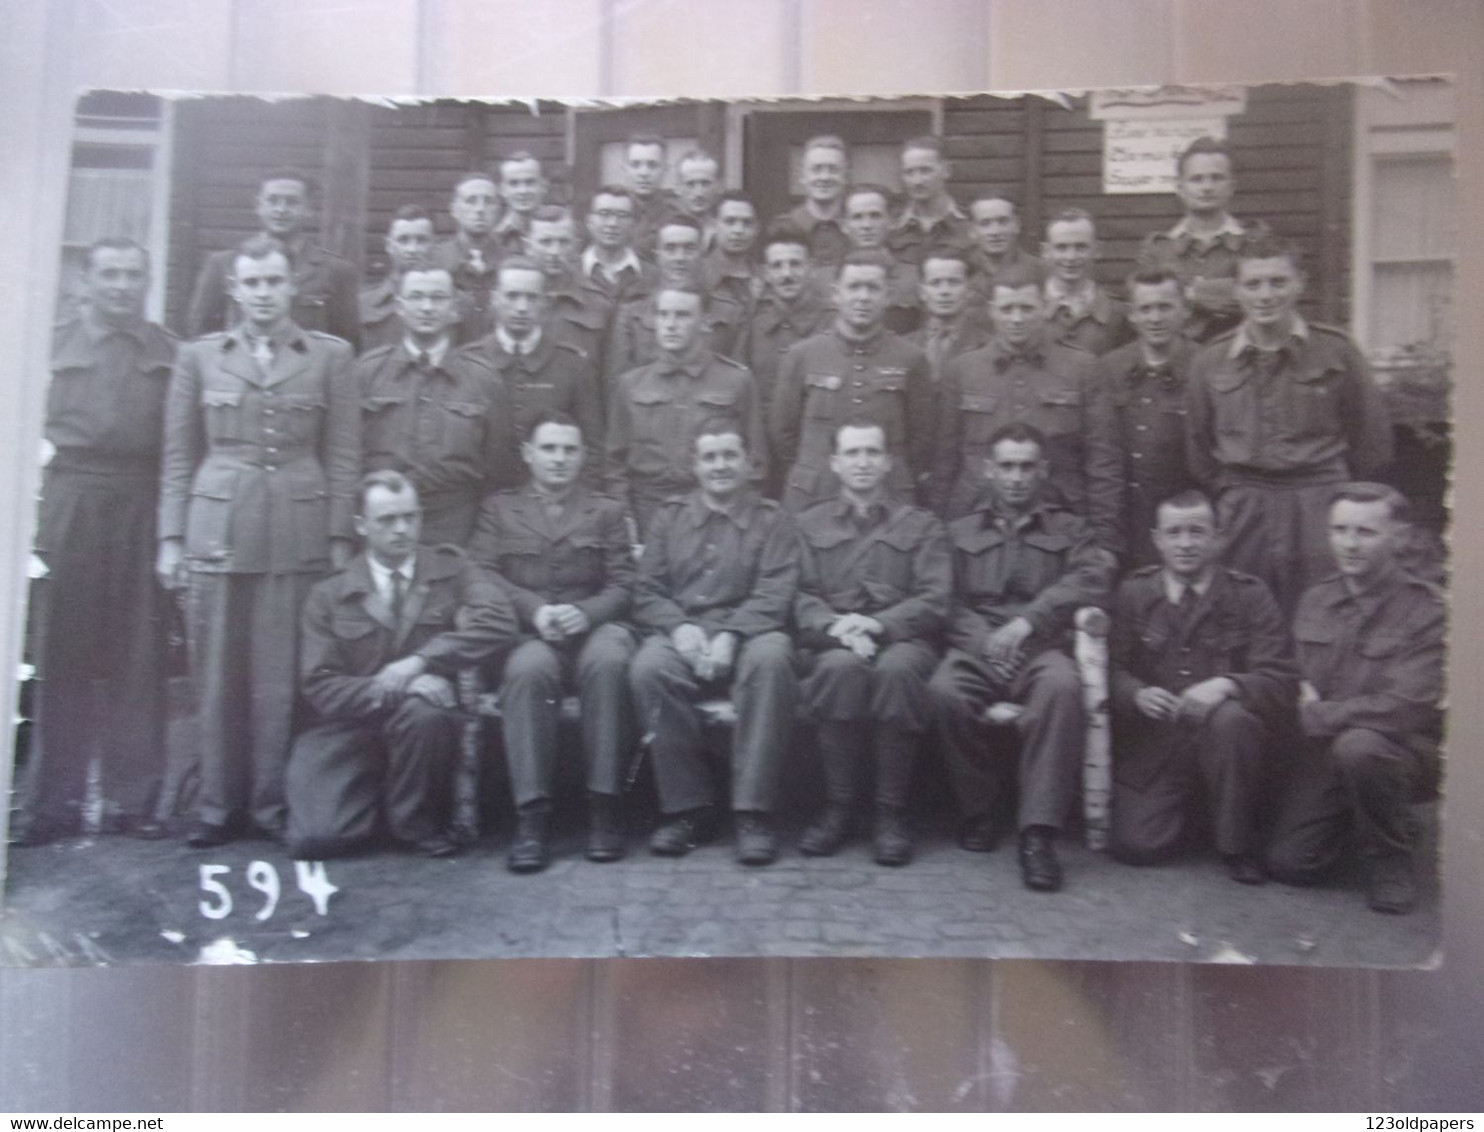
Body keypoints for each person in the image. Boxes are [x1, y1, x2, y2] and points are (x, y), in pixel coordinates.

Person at [158, 234, 361, 848]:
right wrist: (170, 538)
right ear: (234, 290)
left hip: (298, 532)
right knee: (216, 674)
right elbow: (177, 456)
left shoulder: (331, 356)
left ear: (292, 286)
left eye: (274, 282)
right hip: (218, 528)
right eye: (252, 284)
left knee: (281, 677)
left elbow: (346, 455)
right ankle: (218, 807)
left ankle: (273, 807)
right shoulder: (199, 357)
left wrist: (340, 538)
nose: (264, 294)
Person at [14, 238, 177, 845]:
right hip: (71, 497)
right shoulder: (46, 345)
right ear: (86, 279)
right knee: (62, 651)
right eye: (109, 274)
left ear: (146, 281)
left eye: (133, 275)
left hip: (142, 495)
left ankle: (134, 801)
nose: (121, 285)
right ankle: (51, 804)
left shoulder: (169, 351)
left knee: (141, 656)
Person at [285, 473, 517, 860]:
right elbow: (320, 686)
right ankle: (373, 803)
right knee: (318, 840)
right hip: (349, 726)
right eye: (387, 520)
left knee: (426, 715)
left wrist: (420, 662)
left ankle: (413, 821)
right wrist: (398, 684)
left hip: (421, 728)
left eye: (410, 517)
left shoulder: (451, 568)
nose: (402, 529)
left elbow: (498, 620)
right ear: (361, 525)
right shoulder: (328, 594)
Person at [928, 424, 1114, 892]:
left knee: (1063, 688)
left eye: (1027, 466)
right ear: (988, 470)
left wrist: (1028, 623)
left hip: (1040, 647)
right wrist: (986, 643)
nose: (1016, 477)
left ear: (1044, 471)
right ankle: (980, 811)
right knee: (943, 693)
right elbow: (943, 600)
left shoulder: (1070, 529)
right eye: (1006, 466)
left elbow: (1092, 578)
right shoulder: (958, 531)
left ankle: (1038, 834)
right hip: (976, 648)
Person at [1185, 236, 1393, 613]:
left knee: (1325, 606)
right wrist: (1234, 494)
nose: (1265, 295)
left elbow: (1373, 440)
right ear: (1237, 290)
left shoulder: (1337, 351)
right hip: (1244, 503)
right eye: (1253, 284)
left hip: (1319, 500)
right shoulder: (1211, 360)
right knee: (1242, 610)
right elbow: (1198, 448)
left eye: (1278, 282)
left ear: (1300, 283)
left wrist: (1332, 492)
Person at [1265, 485, 1445, 915]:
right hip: (1328, 753)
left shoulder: (1427, 610)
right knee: (1291, 864)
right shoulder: (1316, 599)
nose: (1349, 544)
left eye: (1366, 532)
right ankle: (1371, 818)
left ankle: (1390, 860)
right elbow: (1297, 678)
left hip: (1401, 752)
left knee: (1360, 746)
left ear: (1398, 537)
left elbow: (1404, 707)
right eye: (1340, 530)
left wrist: (1321, 714)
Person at [469, 413, 638, 872]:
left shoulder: (606, 510)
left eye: (569, 450)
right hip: (531, 632)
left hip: (594, 629)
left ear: (583, 456)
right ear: (528, 454)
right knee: (527, 671)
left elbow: (625, 584)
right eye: (549, 449)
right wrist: (533, 610)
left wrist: (585, 614)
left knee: (609, 662)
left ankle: (605, 807)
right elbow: (481, 572)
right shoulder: (500, 509)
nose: (559, 459)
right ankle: (532, 816)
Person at [628, 418, 798, 865]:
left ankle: (752, 812)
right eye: (710, 457)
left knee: (773, 661)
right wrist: (679, 627)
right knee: (649, 667)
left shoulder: (772, 518)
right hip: (682, 629)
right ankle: (689, 810)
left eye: (729, 456)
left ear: (749, 463)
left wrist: (732, 634)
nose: (720, 466)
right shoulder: (670, 517)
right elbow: (647, 590)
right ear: (694, 465)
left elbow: (776, 590)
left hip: (751, 632)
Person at [1108, 490, 1295, 883]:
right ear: (1157, 539)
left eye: (1197, 532)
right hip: (1159, 745)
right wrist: (1135, 694)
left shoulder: (1250, 594)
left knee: (1232, 721)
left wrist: (1227, 685)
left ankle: (1235, 844)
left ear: (1219, 537)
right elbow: (1109, 667)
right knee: (1137, 846)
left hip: (1227, 743)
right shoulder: (1135, 593)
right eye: (1174, 533)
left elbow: (1281, 676)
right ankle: (1197, 812)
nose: (1186, 544)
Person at [793, 420, 950, 866]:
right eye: (853, 453)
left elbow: (936, 599)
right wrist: (837, 627)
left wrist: (877, 625)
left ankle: (889, 812)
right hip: (834, 642)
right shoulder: (807, 524)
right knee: (838, 669)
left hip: (903, 640)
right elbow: (799, 594)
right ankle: (839, 807)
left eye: (872, 453)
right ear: (835, 463)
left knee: (898, 672)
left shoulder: (921, 525)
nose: (863, 462)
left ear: (887, 462)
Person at [934, 262, 1122, 553]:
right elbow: (945, 462)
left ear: (1044, 308)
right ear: (992, 310)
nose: (1017, 318)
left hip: (1061, 522)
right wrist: (940, 532)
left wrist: (1105, 542)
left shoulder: (1082, 368)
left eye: (1026, 308)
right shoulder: (962, 370)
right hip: (977, 524)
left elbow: (1103, 461)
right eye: (1007, 309)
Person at [356, 265, 518, 546]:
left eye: (438, 298)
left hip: (457, 524)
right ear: (399, 306)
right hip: (382, 520)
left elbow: (499, 469)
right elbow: (349, 455)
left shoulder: (482, 378)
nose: (427, 307)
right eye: (416, 297)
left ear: (455, 309)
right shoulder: (368, 372)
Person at [771, 249, 934, 514]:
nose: (863, 297)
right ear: (836, 294)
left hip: (889, 494)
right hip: (814, 494)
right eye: (854, 287)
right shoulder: (801, 355)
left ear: (888, 296)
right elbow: (783, 434)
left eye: (873, 288)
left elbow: (922, 437)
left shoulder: (911, 358)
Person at [604, 284, 765, 535]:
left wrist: (738, 520)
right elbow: (614, 463)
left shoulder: (736, 381)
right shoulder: (631, 384)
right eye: (663, 315)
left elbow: (756, 463)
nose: (670, 324)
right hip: (647, 509)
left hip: (717, 510)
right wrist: (625, 518)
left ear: (705, 322)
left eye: (682, 315)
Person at [185, 169, 359, 346]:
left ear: (309, 209)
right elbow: (199, 336)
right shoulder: (223, 264)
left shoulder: (336, 271)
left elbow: (347, 344)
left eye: (291, 202)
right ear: (258, 206)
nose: (281, 209)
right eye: (273, 200)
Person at [1098, 268, 1200, 567]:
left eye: (1165, 307)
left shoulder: (1205, 366)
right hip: (1127, 522)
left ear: (1185, 311)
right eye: (1146, 309)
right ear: (1132, 315)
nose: (1155, 318)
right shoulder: (1109, 369)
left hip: (1186, 525)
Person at [471, 257, 603, 477]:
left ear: (545, 302)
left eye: (531, 298)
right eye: (512, 296)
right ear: (494, 299)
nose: (522, 307)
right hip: (483, 496)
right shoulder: (470, 361)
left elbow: (593, 446)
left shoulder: (572, 364)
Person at [1136, 136, 1273, 343]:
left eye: (1216, 178)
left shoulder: (1255, 240)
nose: (1207, 187)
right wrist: (1226, 289)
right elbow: (1151, 306)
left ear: (1231, 186)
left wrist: (1190, 293)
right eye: (1197, 179)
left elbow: (1260, 297)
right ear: (1181, 188)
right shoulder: (1158, 248)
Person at [605, 214, 747, 387]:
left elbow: (738, 383)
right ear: (657, 255)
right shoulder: (632, 313)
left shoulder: (729, 312)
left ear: (702, 254)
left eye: (689, 249)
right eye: (670, 249)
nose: (680, 258)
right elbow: (618, 386)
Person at [734, 224, 835, 424]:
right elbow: (740, 394)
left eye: (795, 264)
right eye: (777, 266)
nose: (786, 274)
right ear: (766, 273)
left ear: (812, 268)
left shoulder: (833, 324)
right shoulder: (755, 328)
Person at [527, 204, 615, 369]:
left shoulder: (598, 304)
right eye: (545, 242)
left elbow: (609, 373)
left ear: (575, 246)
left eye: (563, 242)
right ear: (528, 246)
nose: (555, 251)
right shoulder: (513, 299)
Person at [1040, 208, 1132, 357]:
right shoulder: (1027, 310)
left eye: (1081, 247)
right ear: (1046, 251)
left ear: (1097, 250)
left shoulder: (1118, 315)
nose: (1071, 257)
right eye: (1061, 247)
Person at [428, 170, 504, 341]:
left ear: (498, 210)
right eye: (471, 201)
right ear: (454, 209)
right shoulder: (435, 260)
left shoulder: (511, 262)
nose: (480, 209)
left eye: (488, 201)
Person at [841, 184, 921, 334]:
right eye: (857, 217)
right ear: (845, 225)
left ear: (891, 221)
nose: (866, 225)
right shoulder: (826, 278)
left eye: (875, 216)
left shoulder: (914, 278)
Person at [359, 205, 437, 353]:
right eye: (403, 240)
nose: (412, 249)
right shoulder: (364, 304)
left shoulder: (457, 304)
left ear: (433, 244)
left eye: (421, 240)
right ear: (388, 245)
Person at [906, 249, 991, 384]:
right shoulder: (906, 346)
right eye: (935, 283)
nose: (944, 291)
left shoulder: (988, 347)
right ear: (922, 292)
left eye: (953, 282)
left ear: (969, 290)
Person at [887, 136, 971, 268]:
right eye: (909, 172)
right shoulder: (892, 228)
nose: (917, 181)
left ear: (947, 171)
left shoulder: (969, 224)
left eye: (925, 171)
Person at [772, 134, 852, 268]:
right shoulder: (784, 228)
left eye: (833, 170)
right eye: (816, 169)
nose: (824, 177)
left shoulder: (858, 227)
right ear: (803, 176)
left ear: (846, 176)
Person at [581, 185, 657, 301]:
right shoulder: (571, 273)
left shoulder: (653, 277)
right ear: (589, 221)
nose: (612, 223)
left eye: (622, 215)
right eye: (604, 214)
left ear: (634, 223)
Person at [964, 192, 1042, 304]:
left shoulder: (1039, 272)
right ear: (972, 231)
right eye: (985, 223)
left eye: (1003, 222)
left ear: (1017, 225)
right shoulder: (962, 273)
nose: (995, 231)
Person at [700, 190, 763, 309]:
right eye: (730, 222)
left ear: (757, 229)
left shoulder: (765, 280)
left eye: (747, 223)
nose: (738, 230)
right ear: (713, 226)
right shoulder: (697, 276)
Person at [492, 151, 548, 258]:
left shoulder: (561, 235)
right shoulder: (494, 239)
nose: (523, 191)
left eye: (530, 182)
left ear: (544, 186)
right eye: (514, 184)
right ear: (502, 190)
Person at [623, 133, 673, 254]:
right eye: (635, 165)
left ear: (665, 169)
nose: (644, 173)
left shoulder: (675, 217)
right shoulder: (612, 216)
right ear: (625, 169)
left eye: (652, 165)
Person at [674, 149, 723, 247]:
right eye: (690, 184)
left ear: (719, 186)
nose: (698, 193)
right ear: (678, 188)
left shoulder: (724, 232)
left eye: (705, 184)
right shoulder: (665, 230)